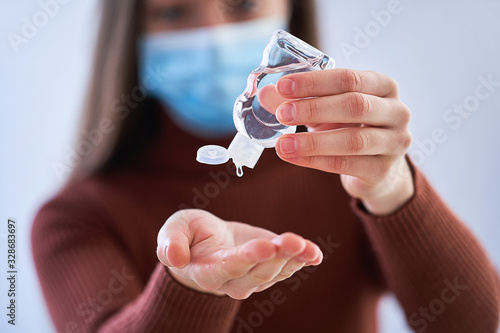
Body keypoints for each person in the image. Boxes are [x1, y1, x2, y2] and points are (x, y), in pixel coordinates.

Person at [31, 0, 499, 332]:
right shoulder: (76, 218)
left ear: (290, 11)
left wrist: (394, 189)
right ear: (131, 33)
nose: (213, 36)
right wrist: (187, 285)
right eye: (173, 12)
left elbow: (471, 322)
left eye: (242, 4)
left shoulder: (346, 168)